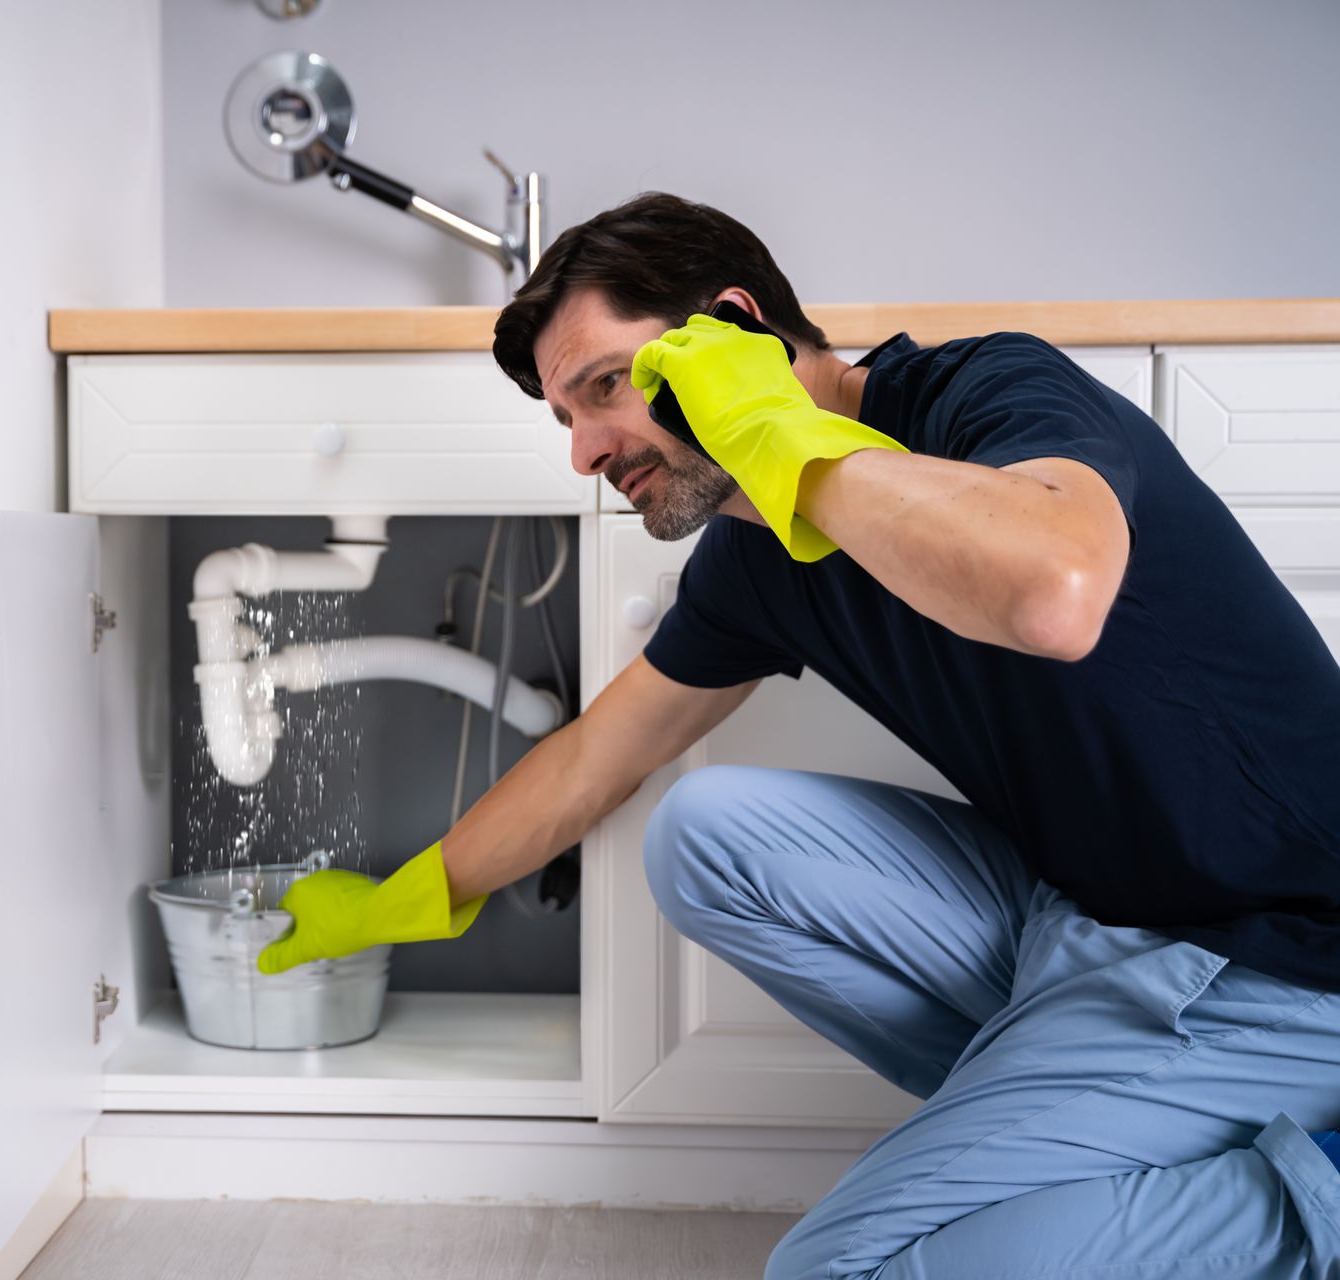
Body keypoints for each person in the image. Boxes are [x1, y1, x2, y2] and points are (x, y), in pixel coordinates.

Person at [257, 192, 1340, 1278]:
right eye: (565, 421)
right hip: (1089, 919)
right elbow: (599, 754)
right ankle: (1051, 1114)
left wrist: (775, 431)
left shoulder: (988, 390)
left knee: (834, 1268)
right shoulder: (756, 553)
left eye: (604, 388)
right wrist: (412, 892)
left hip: (1280, 960)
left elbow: (1054, 593)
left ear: (734, 330)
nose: (586, 450)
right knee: (707, 834)